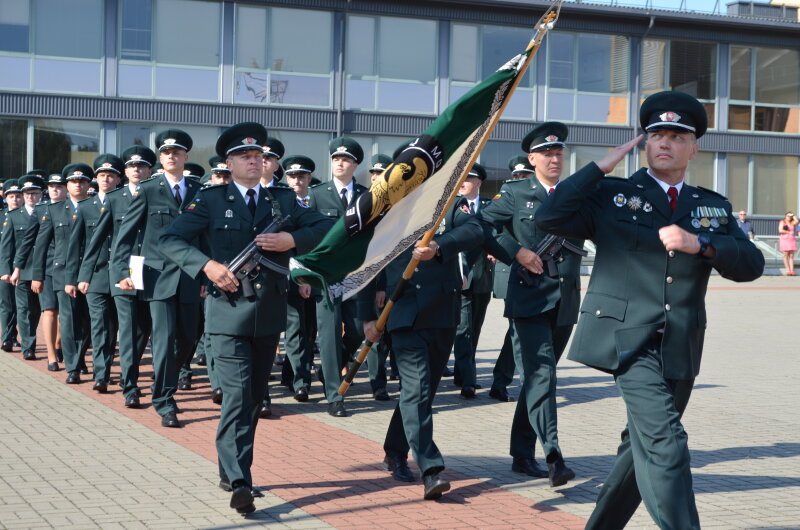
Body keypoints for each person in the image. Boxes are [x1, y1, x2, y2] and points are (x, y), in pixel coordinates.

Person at [536, 90, 764, 529]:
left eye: (677, 136)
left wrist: (701, 244)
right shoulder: (612, 194)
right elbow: (549, 216)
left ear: (693, 148)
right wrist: (599, 167)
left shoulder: (709, 206)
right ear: (644, 143)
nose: (665, 142)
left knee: (638, 450)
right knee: (667, 444)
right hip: (626, 341)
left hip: (680, 343)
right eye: (656, 133)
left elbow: (751, 265)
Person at [159, 122, 332, 514]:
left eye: (260, 156)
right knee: (236, 395)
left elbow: (324, 226)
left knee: (253, 398)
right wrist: (206, 266)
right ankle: (240, 480)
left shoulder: (284, 201)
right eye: (245, 156)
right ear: (229, 163)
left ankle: (230, 467)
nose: (255, 161)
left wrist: (292, 240)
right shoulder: (210, 200)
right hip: (227, 312)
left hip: (269, 314)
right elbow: (169, 240)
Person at [358, 186, 483, 500]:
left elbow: (475, 230)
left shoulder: (448, 204)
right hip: (405, 312)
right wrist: (366, 315)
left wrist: (439, 245)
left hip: (443, 312)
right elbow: (369, 263)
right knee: (415, 389)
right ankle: (431, 468)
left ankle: (395, 450)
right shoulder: (390, 211)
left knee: (422, 394)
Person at [480, 122, 582, 485]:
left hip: (565, 302)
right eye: (548, 154)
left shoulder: (576, 194)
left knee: (539, 381)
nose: (555, 159)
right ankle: (553, 456)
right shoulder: (515, 193)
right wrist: (517, 252)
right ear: (533, 158)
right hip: (528, 300)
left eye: (560, 153)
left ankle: (522, 454)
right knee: (542, 377)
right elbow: (482, 225)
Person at [112, 130, 203, 427]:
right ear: (161, 159)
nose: (171, 156)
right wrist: (126, 275)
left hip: (190, 277)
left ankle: (164, 381)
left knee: (189, 338)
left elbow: (204, 236)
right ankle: (164, 400)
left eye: (177, 152)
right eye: (166, 153)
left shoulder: (198, 190)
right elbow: (126, 239)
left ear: (186, 157)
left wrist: (207, 276)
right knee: (162, 340)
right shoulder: (148, 190)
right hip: (157, 277)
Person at [80, 145, 155, 408]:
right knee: (126, 325)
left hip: (151, 269)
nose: (137, 170)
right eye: (132, 166)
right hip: (122, 269)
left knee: (142, 328)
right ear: (125, 172)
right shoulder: (114, 198)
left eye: (142, 166)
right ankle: (129, 385)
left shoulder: (159, 195)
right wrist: (85, 273)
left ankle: (129, 375)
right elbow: (96, 240)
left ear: (149, 170)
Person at [307, 137, 369, 417]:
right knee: (329, 335)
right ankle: (335, 394)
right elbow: (307, 238)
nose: (339, 163)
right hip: (326, 277)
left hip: (357, 277)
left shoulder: (368, 197)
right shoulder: (316, 195)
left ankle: (331, 365)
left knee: (357, 330)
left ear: (355, 165)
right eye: (335, 159)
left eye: (345, 160)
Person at [65, 155, 124, 392]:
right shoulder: (86, 207)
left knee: (116, 327)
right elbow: (76, 246)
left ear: (119, 179)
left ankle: (116, 368)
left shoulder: (127, 202)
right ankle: (102, 374)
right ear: (95, 180)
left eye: (111, 175)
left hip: (121, 274)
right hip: (95, 276)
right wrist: (74, 278)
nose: (106, 179)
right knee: (98, 326)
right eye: (101, 175)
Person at [31, 164, 93, 385]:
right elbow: (41, 245)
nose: (78, 184)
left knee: (88, 323)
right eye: (74, 181)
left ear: (89, 184)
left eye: (83, 181)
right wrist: (37, 275)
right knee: (68, 320)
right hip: (62, 273)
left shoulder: (96, 207)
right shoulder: (54, 210)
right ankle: (73, 366)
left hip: (91, 272)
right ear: (67, 185)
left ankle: (80, 356)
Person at [451, 163, 494, 398]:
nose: (464, 182)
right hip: (461, 276)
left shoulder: (490, 206)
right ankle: (468, 380)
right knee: (464, 328)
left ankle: (461, 372)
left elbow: (499, 233)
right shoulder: (452, 206)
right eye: (462, 178)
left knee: (475, 329)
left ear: (478, 182)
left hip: (483, 277)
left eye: (469, 178)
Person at [280, 155, 316, 402]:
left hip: (300, 277)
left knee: (298, 332)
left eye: (301, 176)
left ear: (308, 179)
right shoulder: (278, 201)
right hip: (275, 273)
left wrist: (305, 278)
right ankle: (289, 376)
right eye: (292, 176)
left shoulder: (313, 204)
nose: (296, 181)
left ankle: (300, 381)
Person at [2, 175, 45, 362]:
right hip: (22, 270)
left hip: (43, 269)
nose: (29, 197)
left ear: (41, 194)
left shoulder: (47, 212)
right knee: (24, 309)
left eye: (33, 193)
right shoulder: (14, 216)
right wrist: (6, 270)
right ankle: (28, 347)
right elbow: (6, 247)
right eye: (26, 193)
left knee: (36, 310)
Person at [0, 179, 20, 356]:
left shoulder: (28, 216)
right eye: (11, 196)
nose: (15, 199)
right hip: (4, 267)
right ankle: (7, 337)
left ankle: (14, 334)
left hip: (22, 267)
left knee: (21, 305)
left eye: (17, 196)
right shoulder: (2, 217)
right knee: (7, 304)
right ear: (5, 198)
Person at [778, 211, 797, 275]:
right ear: (785, 216)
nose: (789, 217)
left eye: (790, 216)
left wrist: (793, 216)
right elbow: (780, 230)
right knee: (785, 255)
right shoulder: (782, 222)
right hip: (785, 240)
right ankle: (788, 270)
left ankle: (792, 270)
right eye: (788, 216)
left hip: (791, 240)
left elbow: (797, 221)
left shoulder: (792, 222)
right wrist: (788, 232)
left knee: (791, 255)